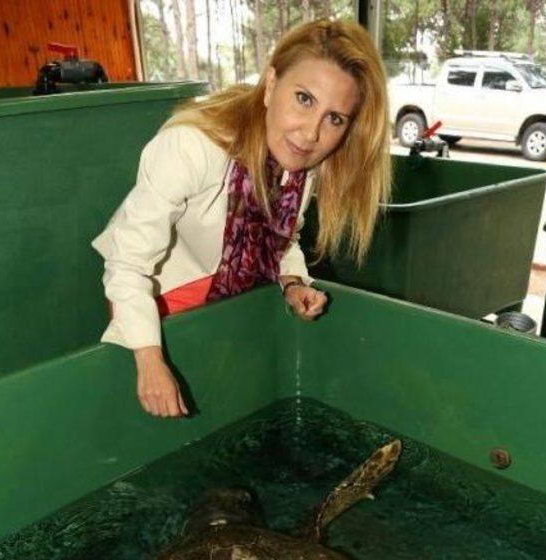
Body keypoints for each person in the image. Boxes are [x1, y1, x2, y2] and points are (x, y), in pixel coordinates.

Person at [92, 18, 391, 418]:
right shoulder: (190, 147)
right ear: (270, 86)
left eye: (334, 118)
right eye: (304, 99)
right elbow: (127, 265)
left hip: (229, 302)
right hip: (156, 307)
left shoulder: (302, 165)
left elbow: (283, 236)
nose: (310, 134)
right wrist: (149, 360)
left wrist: (292, 282)